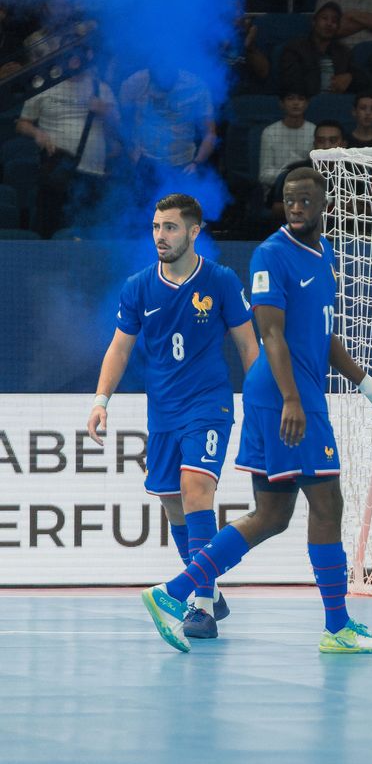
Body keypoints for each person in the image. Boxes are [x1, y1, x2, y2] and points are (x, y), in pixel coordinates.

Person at [141, 168, 372, 654]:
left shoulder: (326, 257)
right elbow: (272, 335)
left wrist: (366, 386)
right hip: (286, 395)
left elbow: (321, 338)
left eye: (305, 199)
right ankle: (338, 627)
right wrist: (292, 400)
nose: (297, 207)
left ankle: (174, 593)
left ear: (326, 204)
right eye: (289, 199)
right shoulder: (271, 255)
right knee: (327, 505)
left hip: (292, 393)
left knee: (272, 515)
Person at [90, 193, 259, 640]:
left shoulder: (220, 281)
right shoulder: (139, 286)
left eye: (170, 227)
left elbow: (248, 346)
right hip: (162, 411)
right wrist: (100, 401)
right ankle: (211, 592)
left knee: (195, 487)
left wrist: (261, 403)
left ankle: (200, 607)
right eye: (156, 227)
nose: (160, 236)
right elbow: (120, 347)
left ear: (193, 231)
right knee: (172, 501)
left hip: (208, 404)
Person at [16, 63, 115, 237]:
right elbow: (22, 123)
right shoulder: (43, 84)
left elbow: (117, 129)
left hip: (92, 173)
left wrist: (104, 111)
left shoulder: (101, 88)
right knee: (51, 225)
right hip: (56, 172)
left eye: (80, 59)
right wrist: (37, 133)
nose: (76, 64)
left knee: (87, 232)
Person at [278, 2, 358, 96]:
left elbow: (365, 80)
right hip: (305, 104)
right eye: (324, 18)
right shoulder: (295, 49)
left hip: (336, 105)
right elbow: (290, 84)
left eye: (334, 21)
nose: (329, 24)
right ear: (313, 21)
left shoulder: (344, 52)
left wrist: (351, 77)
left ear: (338, 27)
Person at [258, 90, 313, 189]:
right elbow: (264, 175)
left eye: (301, 99)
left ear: (307, 104)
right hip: (278, 189)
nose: (296, 103)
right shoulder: (270, 132)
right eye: (290, 98)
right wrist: (290, 176)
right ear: (281, 103)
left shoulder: (314, 131)